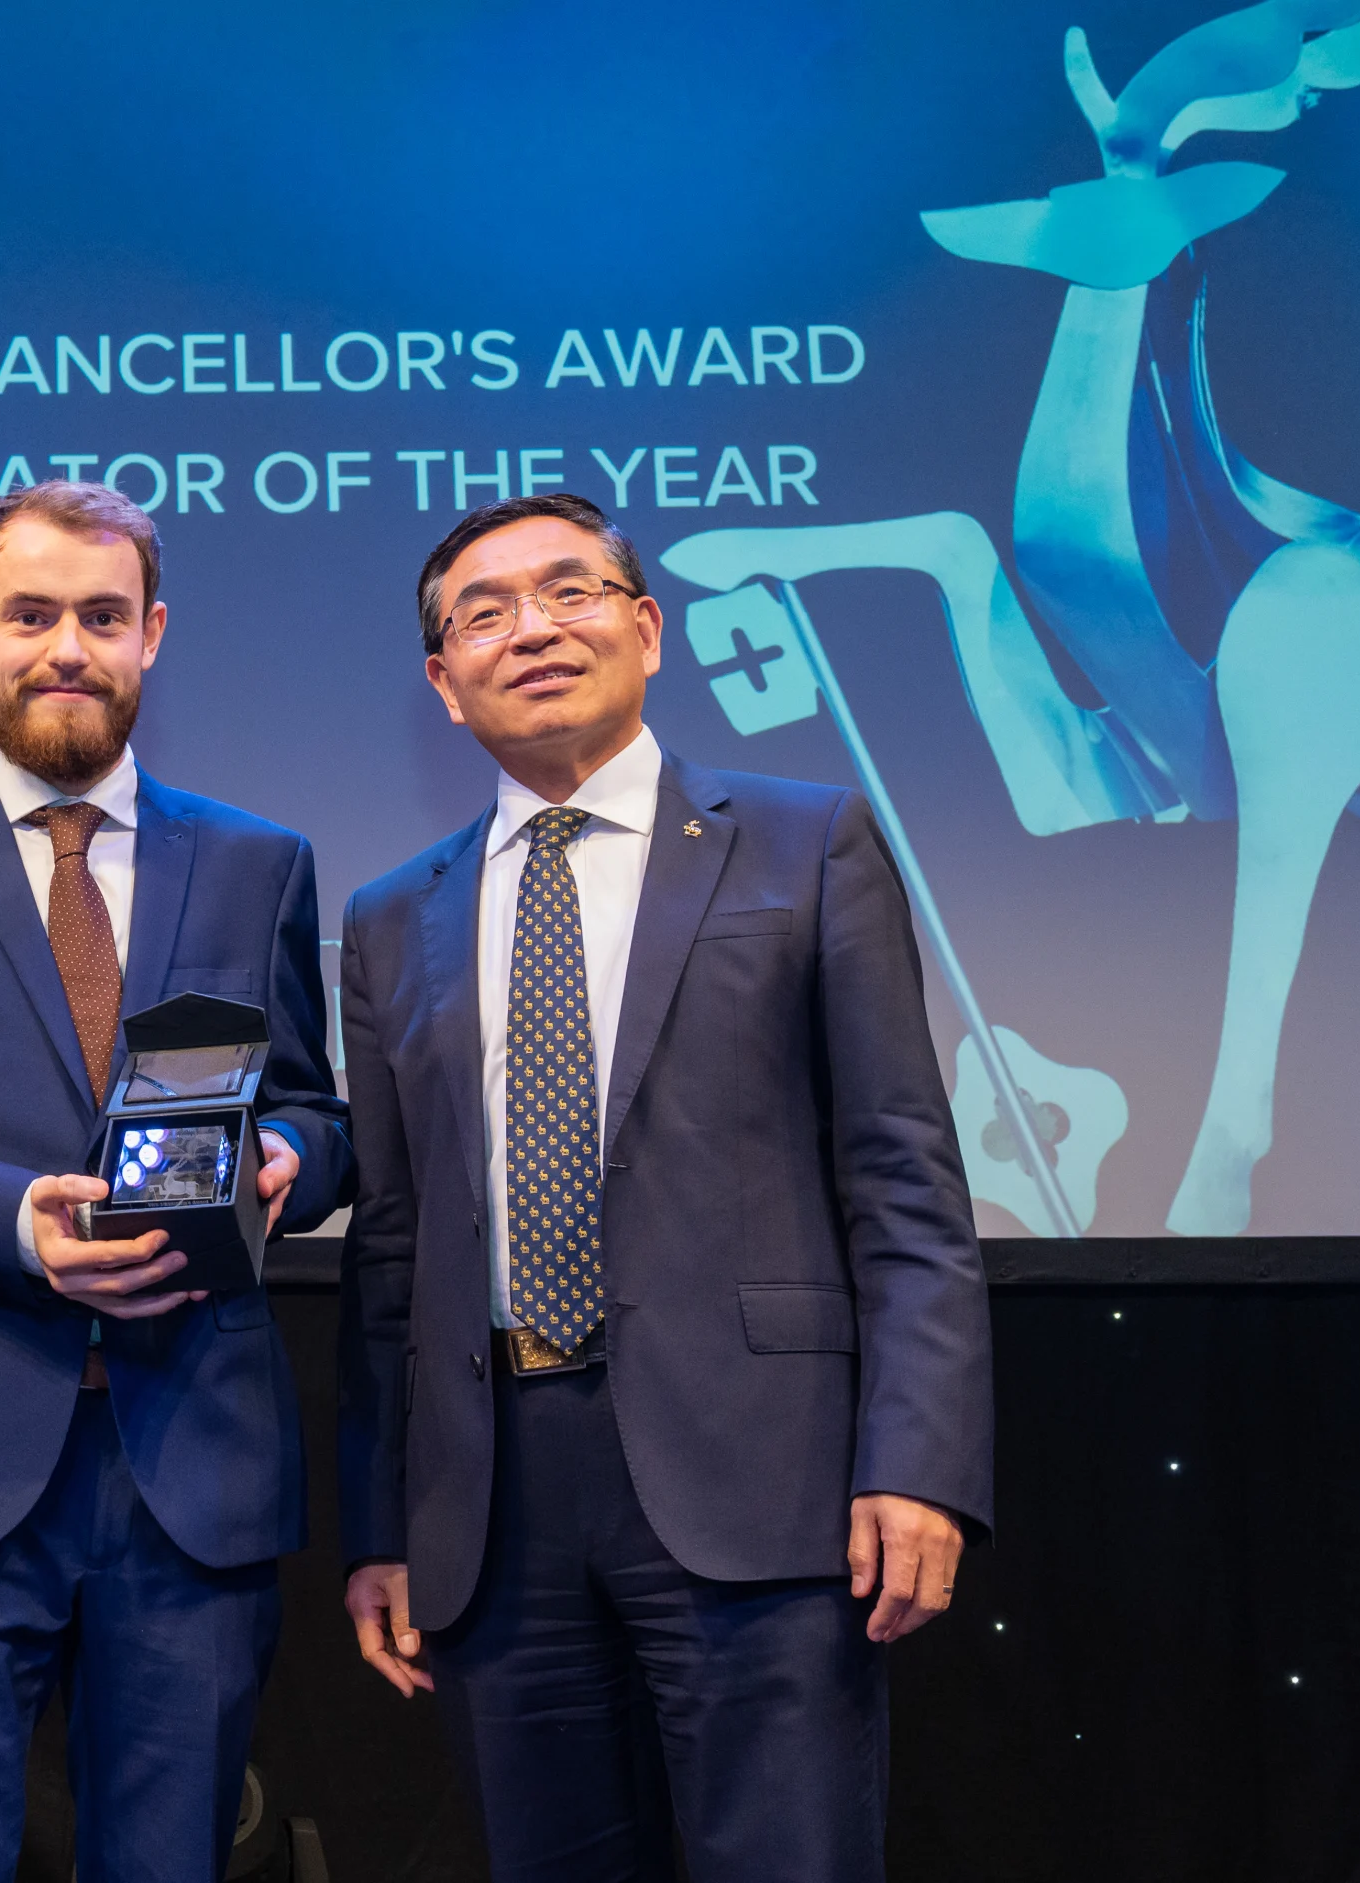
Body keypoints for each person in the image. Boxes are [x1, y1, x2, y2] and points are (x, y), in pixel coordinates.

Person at [335, 492, 994, 1882]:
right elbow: (389, 1246)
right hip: (494, 1503)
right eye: (483, 611)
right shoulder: (393, 915)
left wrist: (917, 1462)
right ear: (444, 687)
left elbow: (904, 1183)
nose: (532, 628)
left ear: (645, 631)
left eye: (570, 591)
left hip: (764, 1482)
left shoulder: (808, 842)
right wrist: (382, 1523)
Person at [0, 481, 354, 1883]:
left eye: (101, 616)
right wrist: (13, 1225)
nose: (65, 647)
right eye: (30, 614)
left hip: (191, 1465)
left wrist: (294, 1156)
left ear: (150, 634)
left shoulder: (257, 859)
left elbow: (315, 1108)